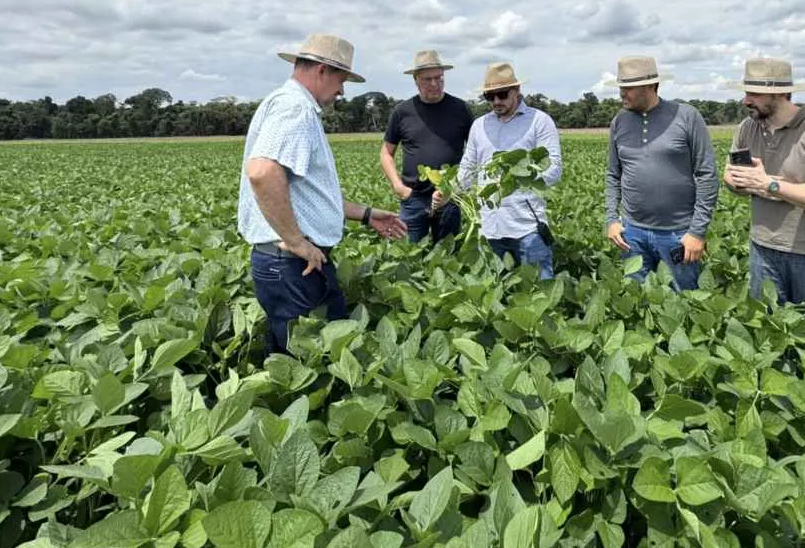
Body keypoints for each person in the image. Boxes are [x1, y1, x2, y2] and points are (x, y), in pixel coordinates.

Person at [238, 33, 406, 357]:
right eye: (341, 80)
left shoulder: (284, 103)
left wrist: (368, 215)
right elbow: (262, 172)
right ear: (322, 71)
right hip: (293, 265)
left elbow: (305, 196)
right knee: (318, 362)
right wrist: (298, 241)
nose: (342, 91)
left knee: (290, 360)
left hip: (284, 264)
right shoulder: (294, 108)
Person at [724, 57, 805, 313]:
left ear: (780, 93)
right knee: (765, 333)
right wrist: (738, 182)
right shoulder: (747, 128)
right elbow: (730, 175)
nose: (746, 100)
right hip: (762, 247)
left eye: (755, 94)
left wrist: (769, 185)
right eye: (747, 92)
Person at [604, 55, 718, 290]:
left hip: (678, 234)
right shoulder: (619, 121)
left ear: (649, 86)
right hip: (631, 233)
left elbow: (707, 174)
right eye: (621, 87)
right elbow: (613, 175)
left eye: (627, 88)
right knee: (636, 302)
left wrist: (697, 231)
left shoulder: (686, 116)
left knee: (684, 304)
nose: (621, 94)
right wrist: (612, 220)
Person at [457, 62, 562, 279]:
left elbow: (553, 170)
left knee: (539, 292)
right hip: (490, 227)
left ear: (517, 91)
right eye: (490, 96)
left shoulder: (539, 121)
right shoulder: (479, 125)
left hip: (528, 228)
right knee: (496, 295)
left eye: (502, 94)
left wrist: (513, 173)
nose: (496, 101)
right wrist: (449, 190)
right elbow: (468, 167)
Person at [379, 50, 474, 244]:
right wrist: (398, 187)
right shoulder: (402, 111)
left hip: (450, 195)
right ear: (416, 80)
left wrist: (458, 187)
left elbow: (475, 151)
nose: (434, 83)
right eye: (427, 79)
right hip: (413, 197)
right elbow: (386, 152)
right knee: (408, 253)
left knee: (448, 255)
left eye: (439, 77)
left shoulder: (461, 109)